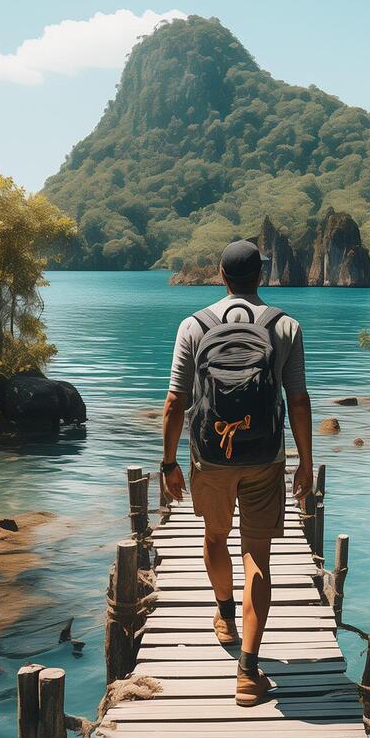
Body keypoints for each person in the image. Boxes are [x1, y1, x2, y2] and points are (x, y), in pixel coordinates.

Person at [159, 239, 313, 706]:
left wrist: (168, 463)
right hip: (265, 457)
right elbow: (299, 400)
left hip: (210, 456)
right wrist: (305, 462)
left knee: (213, 537)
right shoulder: (285, 326)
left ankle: (224, 614)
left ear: (220, 275)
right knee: (258, 557)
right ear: (261, 275)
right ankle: (249, 672)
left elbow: (175, 402)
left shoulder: (194, 325)